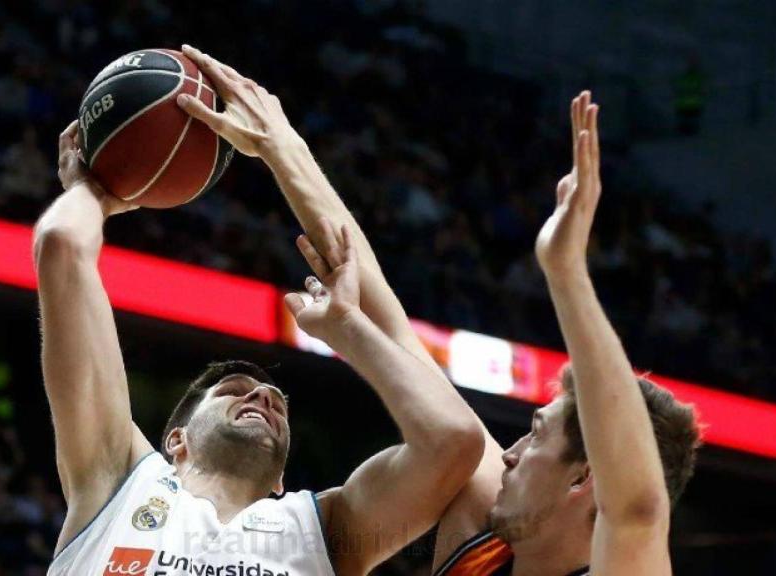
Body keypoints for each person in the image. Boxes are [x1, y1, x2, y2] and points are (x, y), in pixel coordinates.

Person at [178, 65, 699, 575]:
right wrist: (282, 150)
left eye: (536, 436)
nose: (510, 453)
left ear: (583, 477)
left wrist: (566, 275)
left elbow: (635, 508)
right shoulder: (485, 529)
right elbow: (382, 312)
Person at [35, 69, 484, 575]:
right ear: (175, 441)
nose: (263, 397)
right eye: (233, 389)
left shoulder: (324, 530)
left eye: (277, 404)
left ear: (280, 479)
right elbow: (62, 245)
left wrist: (349, 330)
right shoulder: (117, 481)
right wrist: (95, 191)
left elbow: (453, 441)